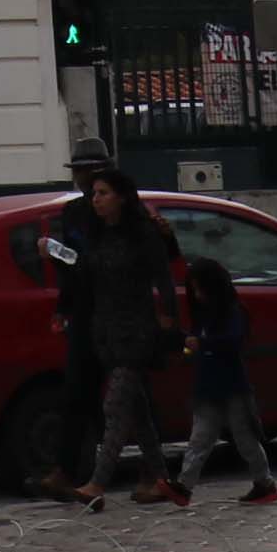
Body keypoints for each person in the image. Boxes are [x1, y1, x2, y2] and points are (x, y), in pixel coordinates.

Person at [64, 168, 187, 510]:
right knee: (137, 409)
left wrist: (167, 318)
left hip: (137, 331)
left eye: (103, 193)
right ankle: (161, 478)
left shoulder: (143, 234)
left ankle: (97, 483)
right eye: (94, 194)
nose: (96, 200)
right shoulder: (98, 234)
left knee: (115, 405)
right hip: (106, 330)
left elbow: (164, 277)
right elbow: (83, 274)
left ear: (121, 197)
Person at [30, 137, 117, 498]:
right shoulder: (73, 213)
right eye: (81, 173)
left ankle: (149, 469)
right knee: (76, 393)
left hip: (115, 312)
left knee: (130, 397)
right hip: (84, 311)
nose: (85, 181)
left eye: (90, 173)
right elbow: (72, 265)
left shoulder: (120, 211)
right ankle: (67, 469)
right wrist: (64, 305)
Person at [178, 256, 277, 505]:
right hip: (208, 387)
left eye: (200, 288)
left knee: (245, 438)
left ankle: (264, 482)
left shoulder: (233, 312)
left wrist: (203, 344)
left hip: (232, 386)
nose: (197, 294)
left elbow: (232, 341)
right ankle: (184, 486)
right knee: (200, 438)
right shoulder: (203, 316)